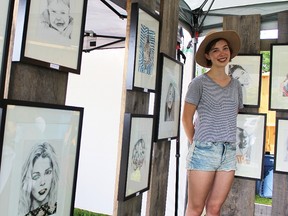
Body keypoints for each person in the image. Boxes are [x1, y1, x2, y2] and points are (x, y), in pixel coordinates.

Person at [182, 30, 243, 216]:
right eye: (215, 50)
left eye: (225, 48)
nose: (222, 53)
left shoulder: (236, 86)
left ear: (230, 52)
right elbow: (186, 119)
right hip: (203, 151)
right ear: (208, 56)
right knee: (195, 208)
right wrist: (199, 144)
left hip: (229, 152)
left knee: (215, 208)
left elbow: (229, 115)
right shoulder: (198, 83)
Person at [18, 142, 60, 216]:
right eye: (36, 176)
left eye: (47, 172)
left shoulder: (59, 208)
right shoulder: (20, 210)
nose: (42, 182)